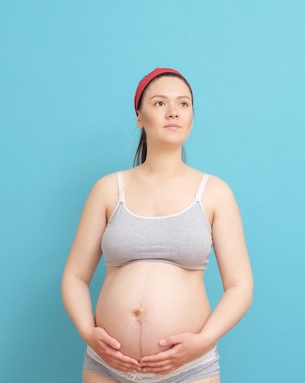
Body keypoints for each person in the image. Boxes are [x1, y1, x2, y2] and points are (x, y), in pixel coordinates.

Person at [61, 67, 253, 383]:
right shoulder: (108, 189)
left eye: (184, 104)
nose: (173, 111)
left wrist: (202, 342)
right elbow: (74, 276)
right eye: (160, 103)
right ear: (140, 117)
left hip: (189, 367)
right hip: (107, 366)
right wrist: (87, 331)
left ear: (192, 118)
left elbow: (240, 287)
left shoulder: (215, 193)